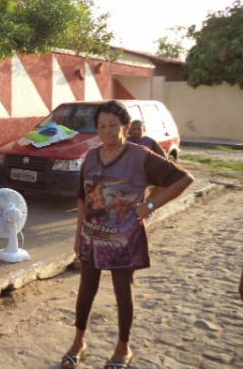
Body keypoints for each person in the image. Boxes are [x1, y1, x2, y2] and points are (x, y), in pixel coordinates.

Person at [61, 100, 193, 369]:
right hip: (92, 237)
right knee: (86, 289)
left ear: (125, 126)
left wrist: (150, 205)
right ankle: (79, 342)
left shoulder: (140, 155)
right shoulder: (91, 156)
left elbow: (182, 179)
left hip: (124, 240)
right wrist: (78, 236)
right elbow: (83, 199)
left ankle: (123, 348)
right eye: (101, 126)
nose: (107, 131)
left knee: (123, 292)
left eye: (113, 125)